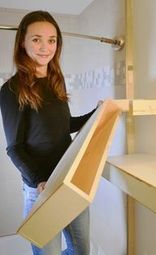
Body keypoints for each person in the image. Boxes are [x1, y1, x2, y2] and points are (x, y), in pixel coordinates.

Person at [0, 10, 99, 255]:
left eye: (51, 40)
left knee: (81, 251)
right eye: (36, 39)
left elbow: (64, 126)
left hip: (69, 179)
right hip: (40, 188)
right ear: (22, 42)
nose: (45, 47)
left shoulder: (56, 81)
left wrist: (97, 113)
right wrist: (39, 180)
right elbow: (15, 148)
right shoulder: (12, 89)